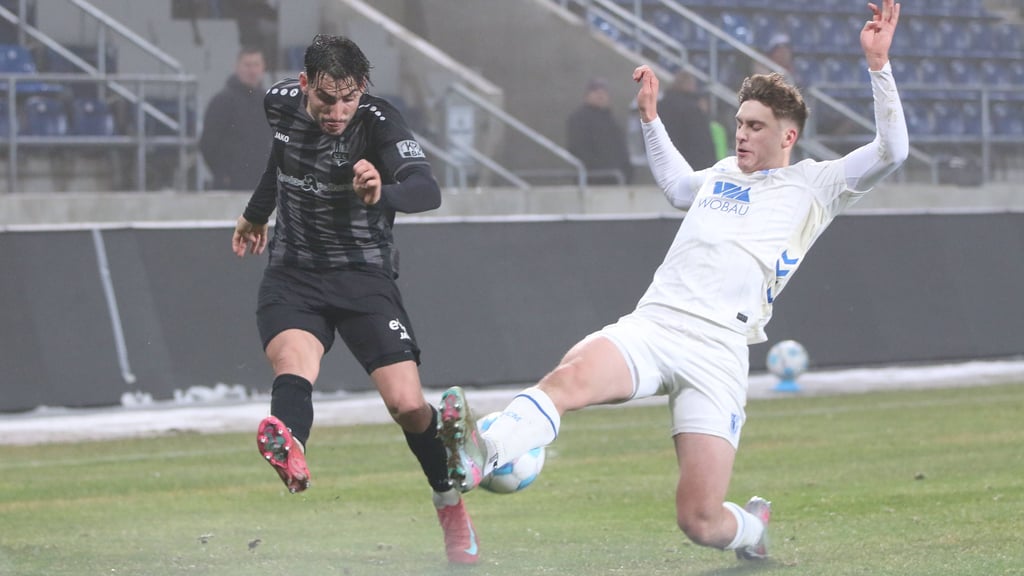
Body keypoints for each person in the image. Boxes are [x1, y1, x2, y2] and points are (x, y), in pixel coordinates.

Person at [438, 0, 905, 563]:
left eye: (756, 127)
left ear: (789, 136)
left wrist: (878, 66)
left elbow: (891, 151)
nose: (742, 135)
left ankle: (752, 531)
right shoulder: (722, 174)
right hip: (655, 324)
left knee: (700, 520)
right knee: (567, 380)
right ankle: (480, 452)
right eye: (739, 123)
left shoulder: (819, 185)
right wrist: (649, 118)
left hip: (719, 352)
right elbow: (678, 187)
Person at [231, 34, 479, 565]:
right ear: (303, 85)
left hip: (364, 279)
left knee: (408, 406)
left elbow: (426, 191)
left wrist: (379, 193)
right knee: (294, 366)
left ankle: (450, 500)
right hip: (293, 274)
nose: (337, 111)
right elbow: (282, 159)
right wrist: (257, 213)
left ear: (361, 89)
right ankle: (290, 447)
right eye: (326, 99)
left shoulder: (379, 122)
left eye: (348, 98)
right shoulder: (277, 103)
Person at [200, 46, 273, 190]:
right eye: (247, 65)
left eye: (256, 65)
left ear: (263, 67)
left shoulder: (269, 102)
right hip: (230, 185)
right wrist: (222, 174)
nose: (252, 70)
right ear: (237, 67)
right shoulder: (222, 101)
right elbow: (207, 143)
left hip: (261, 184)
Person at [566, 76, 634, 185]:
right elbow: (578, 149)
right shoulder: (578, 119)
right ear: (587, 96)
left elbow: (622, 149)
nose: (600, 95)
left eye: (603, 92)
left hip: (617, 179)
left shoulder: (612, 121)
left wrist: (628, 172)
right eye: (595, 91)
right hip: (593, 180)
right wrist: (600, 171)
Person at [656, 71, 717, 170]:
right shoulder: (692, 108)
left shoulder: (661, 105)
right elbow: (700, 139)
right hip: (693, 161)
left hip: (668, 158)